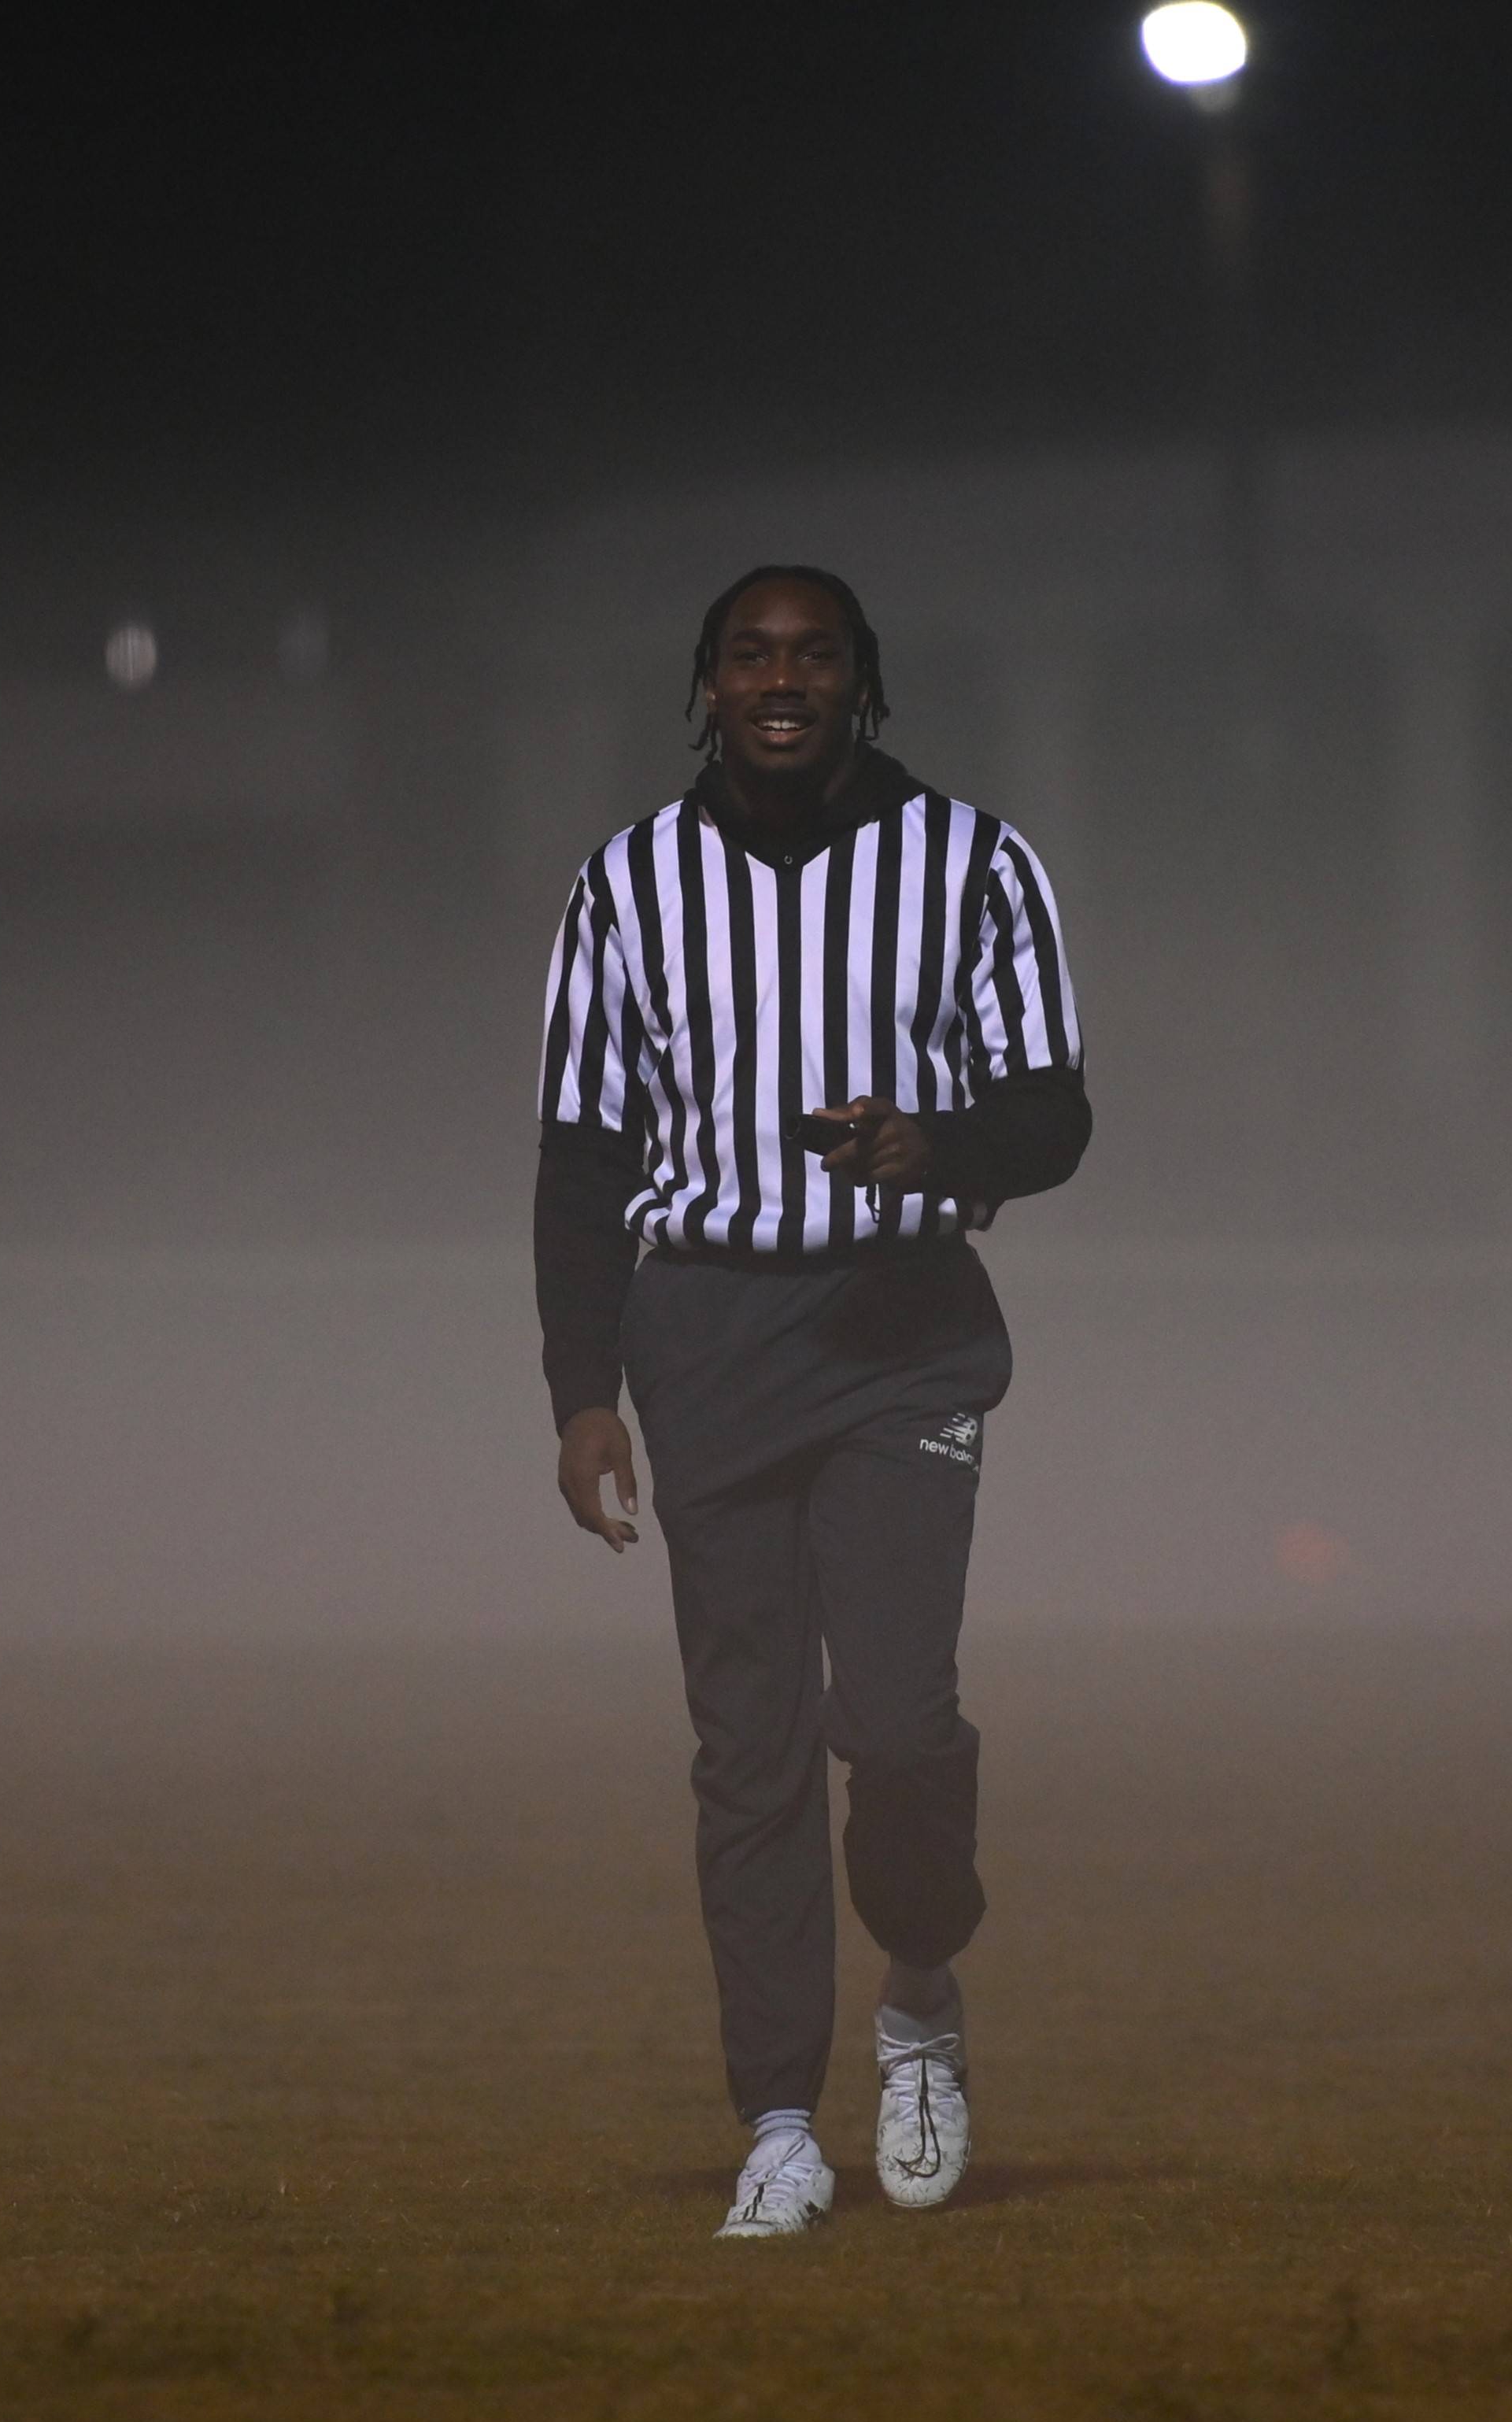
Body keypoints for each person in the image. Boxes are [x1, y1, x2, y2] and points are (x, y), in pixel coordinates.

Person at [534, 566, 1091, 2238]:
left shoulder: (974, 865)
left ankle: (919, 1978)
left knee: (899, 1718)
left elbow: (1054, 1112)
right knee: (749, 1745)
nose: (785, 680)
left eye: (817, 654)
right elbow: (580, 1156)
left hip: (897, 1324)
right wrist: (581, 1391)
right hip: (702, 1332)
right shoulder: (627, 885)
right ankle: (778, 2118)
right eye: (752, 655)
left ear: (866, 680)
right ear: (704, 682)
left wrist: (945, 1145)